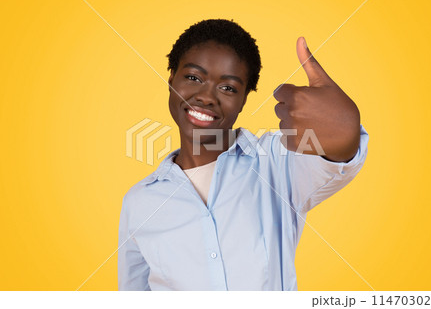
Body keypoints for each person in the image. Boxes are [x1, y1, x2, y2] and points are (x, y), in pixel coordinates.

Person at [118, 18, 369, 291]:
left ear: (243, 101)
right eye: (193, 77)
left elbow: (335, 162)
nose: (206, 96)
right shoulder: (139, 202)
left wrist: (344, 132)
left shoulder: (276, 162)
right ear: (171, 81)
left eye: (228, 88)